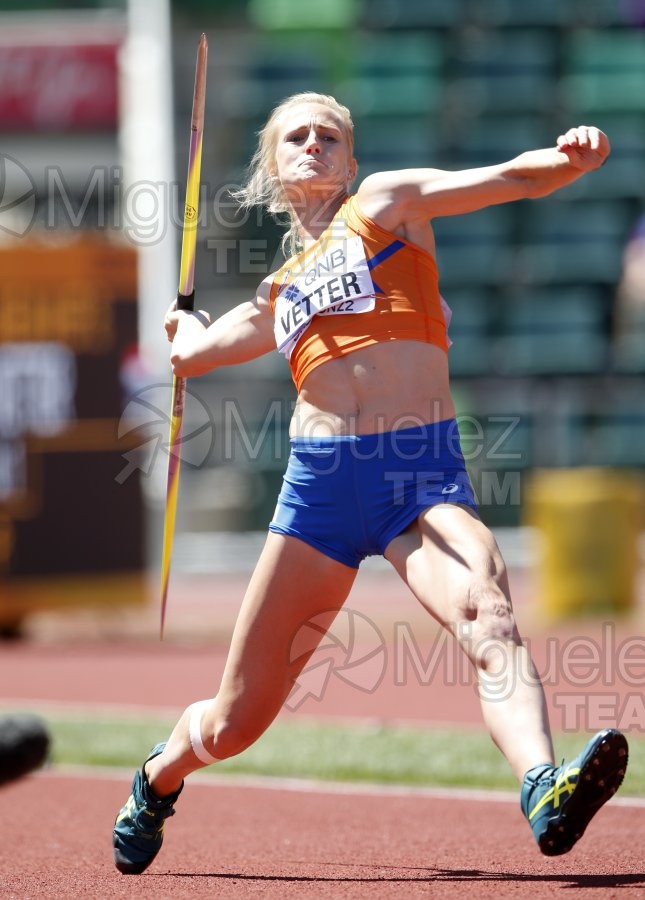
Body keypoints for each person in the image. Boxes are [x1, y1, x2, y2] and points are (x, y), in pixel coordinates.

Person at [112, 93, 628, 874]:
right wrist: (181, 333)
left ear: (350, 161)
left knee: (488, 614)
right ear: (275, 168)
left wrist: (569, 159)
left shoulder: (384, 204)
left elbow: (510, 179)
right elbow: (197, 352)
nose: (315, 145)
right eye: (298, 137)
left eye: (331, 137)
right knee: (233, 724)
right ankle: (157, 778)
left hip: (417, 475)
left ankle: (542, 787)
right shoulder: (277, 293)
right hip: (319, 495)